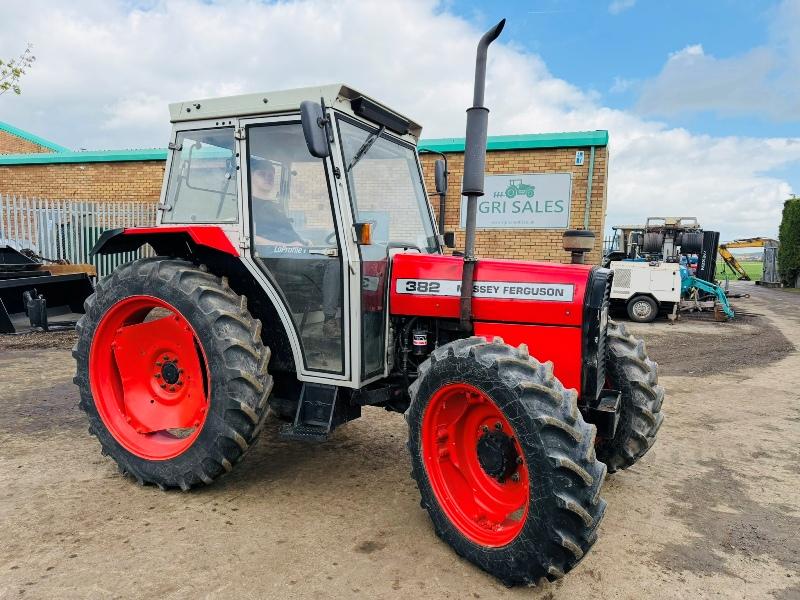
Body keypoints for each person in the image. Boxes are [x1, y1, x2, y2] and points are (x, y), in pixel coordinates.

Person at [250, 158, 341, 337]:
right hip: (275, 258)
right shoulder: (248, 205)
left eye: (271, 174)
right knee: (334, 263)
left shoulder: (275, 206)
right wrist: (286, 245)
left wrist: (304, 241)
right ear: (250, 176)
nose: (268, 178)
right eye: (262, 174)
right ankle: (330, 320)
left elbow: (288, 233)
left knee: (344, 258)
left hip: (295, 252)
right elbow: (251, 238)